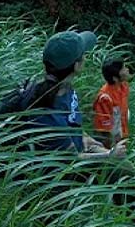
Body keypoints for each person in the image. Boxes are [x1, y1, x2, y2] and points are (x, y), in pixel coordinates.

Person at [24, 30, 126, 159]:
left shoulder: (65, 89)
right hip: (63, 168)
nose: (85, 57)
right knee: (123, 167)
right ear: (77, 66)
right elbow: (70, 159)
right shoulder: (47, 111)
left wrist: (85, 138)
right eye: (83, 54)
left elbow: (72, 122)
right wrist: (109, 155)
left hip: (79, 148)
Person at [92, 57, 131, 149]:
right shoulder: (105, 98)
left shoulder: (124, 87)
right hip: (110, 144)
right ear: (115, 78)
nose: (127, 69)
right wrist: (111, 150)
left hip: (121, 136)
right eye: (123, 68)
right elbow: (104, 130)